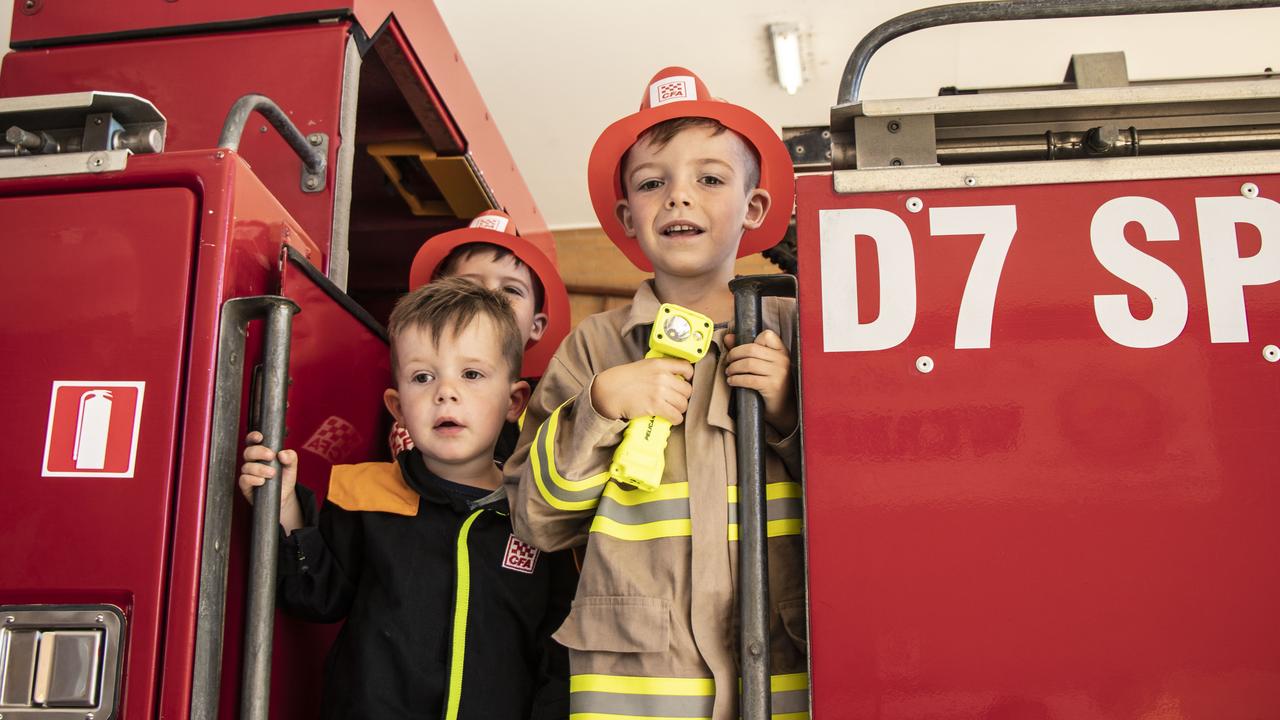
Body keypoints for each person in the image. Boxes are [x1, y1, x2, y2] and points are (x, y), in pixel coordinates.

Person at [505, 67, 807, 720]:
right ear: (627, 217)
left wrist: (787, 414)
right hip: (635, 693)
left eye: (710, 178)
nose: (678, 197)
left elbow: (871, 494)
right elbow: (537, 522)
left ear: (753, 208)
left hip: (787, 681)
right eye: (651, 183)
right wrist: (597, 409)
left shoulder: (800, 334)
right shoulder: (590, 352)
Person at [239, 278, 575, 720]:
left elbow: (557, 656)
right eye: (423, 377)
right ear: (398, 407)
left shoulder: (539, 514)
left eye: (471, 374)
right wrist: (283, 507)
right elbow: (316, 598)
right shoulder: (364, 494)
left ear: (514, 402)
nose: (446, 392)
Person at [389, 209, 571, 460]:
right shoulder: (418, 407)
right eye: (470, 287)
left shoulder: (555, 402)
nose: (491, 299)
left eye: (510, 290)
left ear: (536, 326)